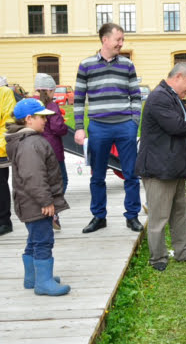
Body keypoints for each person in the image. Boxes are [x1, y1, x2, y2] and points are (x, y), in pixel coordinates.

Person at [135, 62, 186, 272]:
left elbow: (181, 123)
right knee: (159, 216)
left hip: (174, 167)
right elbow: (175, 127)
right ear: (178, 76)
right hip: (159, 169)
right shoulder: (160, 97)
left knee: (181, 211)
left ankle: (184, 252)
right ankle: (157, 258)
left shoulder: (172, 97)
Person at [73, 22, 143, 234]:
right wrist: (78, 127)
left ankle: (132, 217)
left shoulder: (127, 65)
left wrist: (133, 123)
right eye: (118, 40)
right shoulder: (86, 65)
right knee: (97, 175)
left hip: (125, 128)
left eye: (122, 40)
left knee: (131, 174)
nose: (121, 44)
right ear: (105, 39)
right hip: (98, 128)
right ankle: (99, 216)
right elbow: (78, 99)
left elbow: (136, 96)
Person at [6, 98, 70, 296]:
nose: (45, 121)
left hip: (28, 202)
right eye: (41, 117)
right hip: (36, 204)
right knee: (43, 240)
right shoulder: (31, 143)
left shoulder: (25, 140)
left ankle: (32, 277)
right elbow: (33, 176)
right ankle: (43, 282)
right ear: (28, 119)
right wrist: (46, 201)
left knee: (34, 239)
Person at [34, 73, 69, 231]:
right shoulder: (52, 106)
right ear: (50, 91)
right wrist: (64, 127)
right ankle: (53, 211)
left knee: (44, 181)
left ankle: (44, 211)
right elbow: (57, 127)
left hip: (37, 149)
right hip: (54, 150)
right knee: (61, 180)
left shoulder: (34, 105)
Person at [0, 76, 16, 236]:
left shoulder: (4, 92)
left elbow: (8, 122)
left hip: (0, 149)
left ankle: (4, 221)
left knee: (0, 184)